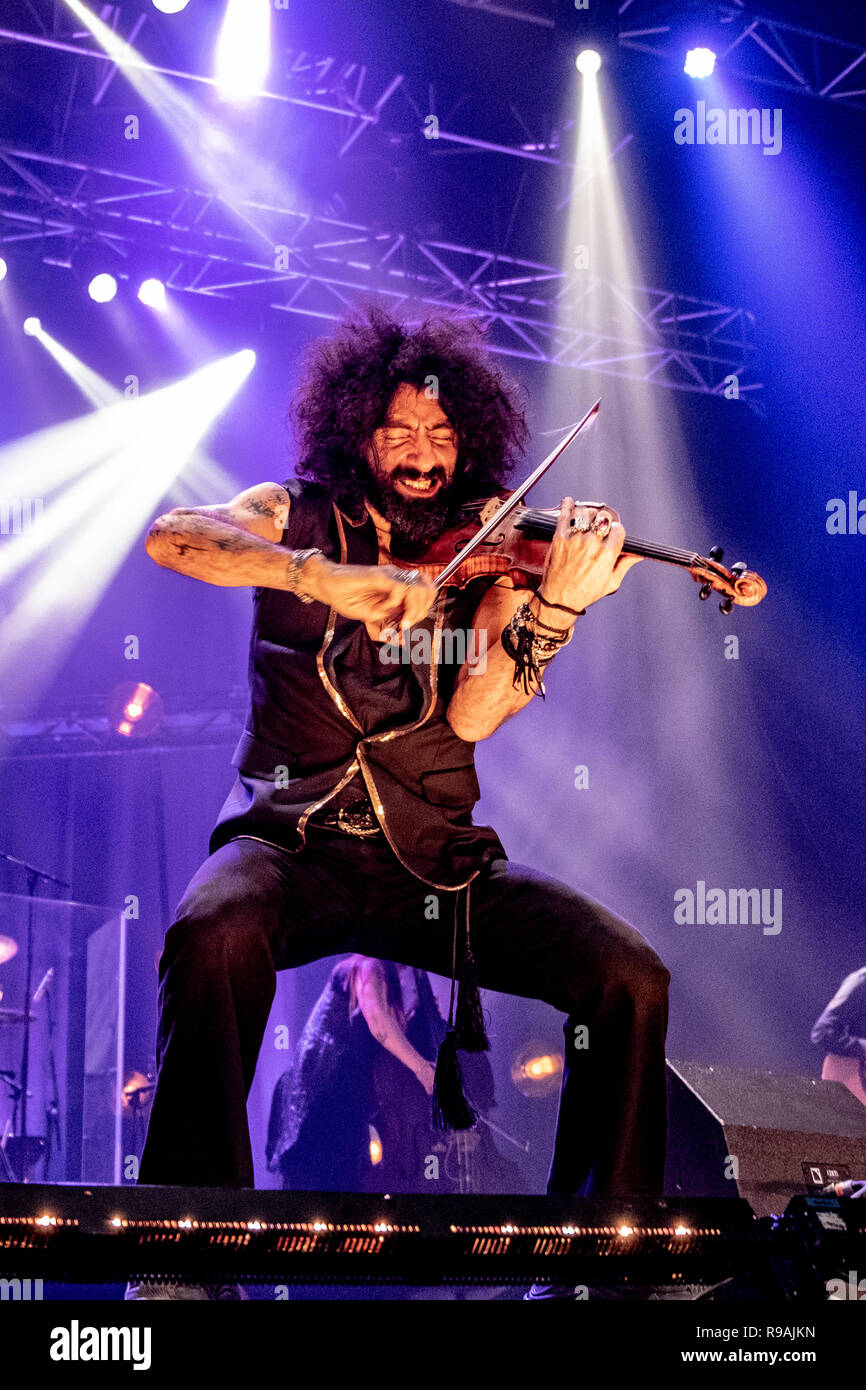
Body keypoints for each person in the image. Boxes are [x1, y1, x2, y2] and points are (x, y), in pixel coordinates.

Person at [131, 306, 670, 1299]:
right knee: (210, 930)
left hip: (434, 858)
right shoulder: (293, 512)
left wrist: (552, 607)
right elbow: (177, 537)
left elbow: (470, 716)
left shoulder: (493, 545)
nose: (424, 455)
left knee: (626, 973)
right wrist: (321, 576)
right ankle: (188, 1256)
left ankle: (604, 1253)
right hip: (292, 842)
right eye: (400, 433)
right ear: (357, 432)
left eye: (441, 435)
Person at [266, 955, 526, 1194]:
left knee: (353, 1184)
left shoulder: (410, 978)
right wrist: (424, 1069)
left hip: (356, 1098)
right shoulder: (368, 966)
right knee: (326, 1186)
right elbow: (378, 1022)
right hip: (324, 1092)